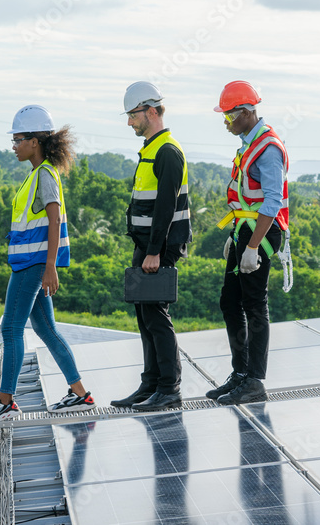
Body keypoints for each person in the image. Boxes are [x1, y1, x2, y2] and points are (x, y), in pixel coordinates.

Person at [0, 105, 96, 426]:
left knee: (11, 328)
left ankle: (5, 401)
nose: (14, 146)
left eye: (18, 139)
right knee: (45, 329)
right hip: (32, 263)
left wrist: (50, 266)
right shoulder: (37, 175)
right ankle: (80, 393)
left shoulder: (44, 176)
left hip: (33, 266)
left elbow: (54, 220)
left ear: (35, 142)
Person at [110, 81, 191, 412]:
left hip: (160, 247)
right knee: (145, 315)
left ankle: (169, 388)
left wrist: (155, 251)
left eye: (133, 115)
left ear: (152, 111)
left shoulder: (167, 151)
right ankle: (151, 384)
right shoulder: (152, 149)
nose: (130, 122)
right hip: (147, 246)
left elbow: (166, 207)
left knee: (156, 314)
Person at [208, 81, 289, 405]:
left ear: (245, 113)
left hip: (262, 233)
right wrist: (238, 238)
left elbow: (272, 202)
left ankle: (255, 380)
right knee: (230, 301)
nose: (225, 123)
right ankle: (240, 373)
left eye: (228, 116)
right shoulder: (248, 143)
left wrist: (253, 246)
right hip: (245, 229)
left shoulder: (267, 148)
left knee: (255, 305)